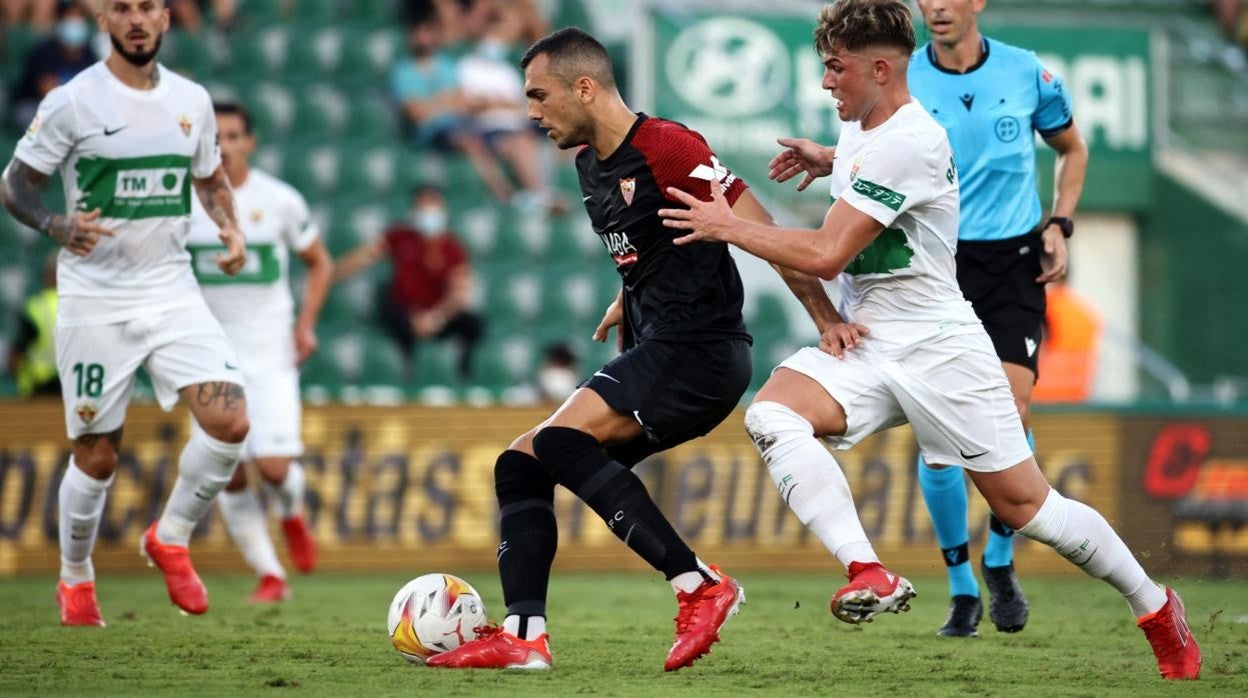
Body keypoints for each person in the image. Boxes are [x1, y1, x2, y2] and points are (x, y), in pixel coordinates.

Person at [659, 0, 1200, 680]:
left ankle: (1155, 607)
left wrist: (727, 226)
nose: (826, 82)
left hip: (940, 345)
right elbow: (865, 174)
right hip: (868, 338)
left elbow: (826, 252)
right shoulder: (862, 124)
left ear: (881, 68)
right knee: (773, 413)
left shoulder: (911, 140)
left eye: (836, 68)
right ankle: (868, 570)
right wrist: (828, 160)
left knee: (1027, 507)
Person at [425, 27, 782, 673]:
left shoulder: (669, 147)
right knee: (522, 464)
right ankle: (524, 636)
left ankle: (700, 585)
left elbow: (763, 228)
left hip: (700, 351)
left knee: (560, 443)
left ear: (584, 87)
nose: (530, 113)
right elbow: (647, 248)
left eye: (539, 96)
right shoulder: (590, 165)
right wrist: (632, 294)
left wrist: (826, 319)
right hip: (661, 345)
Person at [0, 0, 250, 625]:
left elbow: (211, 176)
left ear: (165, 18)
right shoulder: (72, 102)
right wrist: (56, 224)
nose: (136, 19)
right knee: (98, 454)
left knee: (231, 421)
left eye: (147, 7)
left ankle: (169, 536)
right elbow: (15, 186)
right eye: (122, 8)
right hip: (94, 301)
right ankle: (75, 578)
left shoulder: (191, 100)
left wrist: (231, 227)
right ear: (102, 19)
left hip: (172, 290)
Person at [858, 0, 1092, 637]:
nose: (934, 6)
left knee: (1011, 412)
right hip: (937, 262)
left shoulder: (1027, 73)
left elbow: (1072, 148)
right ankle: (961, 588)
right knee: (939, 440)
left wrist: (1060, 223)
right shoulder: (903, 79)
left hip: (1012, 262)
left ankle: (999, 559)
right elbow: (866, 151)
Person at [187, 101, 332, 603]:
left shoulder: (279, 200)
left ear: (250, 141)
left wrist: (306, 324)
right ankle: (271, 575)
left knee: (272, 468)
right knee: (225, 470)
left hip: (269, 349)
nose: (224, 145)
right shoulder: (186, 204)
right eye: (215, 137)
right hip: (206, 352)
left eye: (232, 135)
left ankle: (291, 512)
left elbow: (319, 263)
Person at [333, 185, 483, 382]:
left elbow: (460, 293)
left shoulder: (454, 247)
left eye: (432, 205)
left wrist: (436, 317)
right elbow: (364, 256)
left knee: (474, 324)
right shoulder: (400, 236)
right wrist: (330, 274)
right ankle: (404, 376)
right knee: (396, 319)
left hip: (438, 313)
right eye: (422, 206)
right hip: (403, 311)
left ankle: (465, 375)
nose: (428, 211)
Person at [10, 0, 97, 129]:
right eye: (70, 17)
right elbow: (49, 93)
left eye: (79, 18)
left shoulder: (88, 53)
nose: (75, 22)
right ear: (60, 22)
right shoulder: (44, 51)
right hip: (35, 106)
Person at [6, 253, 59, 397]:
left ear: (49, 276)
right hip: (75, 386)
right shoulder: (83, 308)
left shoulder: (37, 307)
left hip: (39, 386)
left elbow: (16, 354)